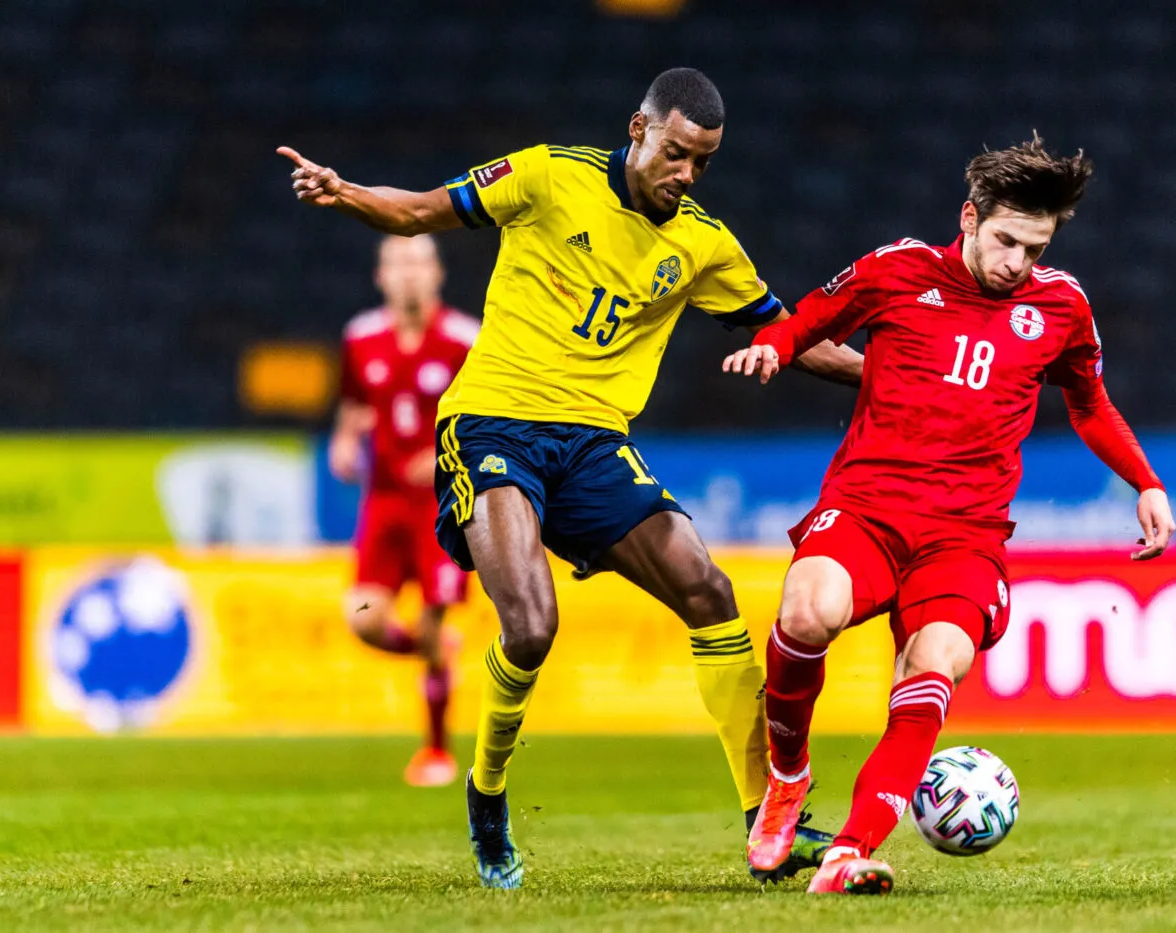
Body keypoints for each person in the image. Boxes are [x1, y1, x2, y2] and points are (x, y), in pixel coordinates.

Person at [279, 67, 863, 888]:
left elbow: (792, 332)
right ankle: (486, 792)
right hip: (493, 423)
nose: (686, 174)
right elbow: (418, 212)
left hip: (593, 444)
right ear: (639, 128)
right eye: (675, 153)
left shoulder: (702, 243)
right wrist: (343, 193)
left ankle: (770, 818)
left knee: (708, 587)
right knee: (531, 625)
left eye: (702, 161)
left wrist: (887, 378)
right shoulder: (549, 176)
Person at [724, 134, 1176, 895]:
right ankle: (787, 777)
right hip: (867, 505)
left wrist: (1146, 481)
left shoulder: (1061, 305)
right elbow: (807, 319)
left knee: (933, 665)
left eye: (1033, 248)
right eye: (1004, 240)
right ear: (968, 218)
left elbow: (1089, 403)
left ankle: (848, 851)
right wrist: (771, 345)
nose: (1015, 262)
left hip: (965, 535)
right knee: (807, 612)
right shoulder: (897, 269)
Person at [331, 234, 477, 788]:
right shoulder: (361, 337)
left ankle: (436, 751)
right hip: (384, 503)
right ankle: (432, 651)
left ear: (437, 273)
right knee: (363, 621)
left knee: (434, 615)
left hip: (443, 504)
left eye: (419, 263)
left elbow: (490, 417)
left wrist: (443, 455)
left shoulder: (466, 340)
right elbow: (354, 403)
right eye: (398, 264)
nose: (410, 274)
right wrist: (344, 441)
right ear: (380, 276)